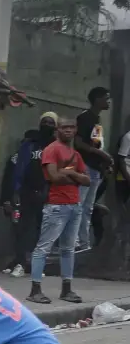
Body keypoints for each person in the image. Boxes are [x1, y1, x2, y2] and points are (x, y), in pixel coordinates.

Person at [28, 117, 91, 305]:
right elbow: (54, 177)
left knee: (68, 249)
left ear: (76, 130)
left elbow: (88, 180)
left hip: (74, 205)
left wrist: (70, 173)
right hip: (56, 205)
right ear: (58, 130)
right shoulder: (51, 150)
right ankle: (35, 290)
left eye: (71, 127)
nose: (68, 131)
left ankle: (67, 289)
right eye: (64, 128)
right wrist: (76, 177)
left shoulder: (75, 154)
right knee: (43, 247)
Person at [0, 112, 57, 277]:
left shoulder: (56, 147)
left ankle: (36, 265)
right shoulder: (29, 146)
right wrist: (8, 198)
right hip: (26, 193)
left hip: (48, 194)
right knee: (22, 229)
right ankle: (20, 262)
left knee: (42, 231)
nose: (47, 125)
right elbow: (14, 172)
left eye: (51, 123)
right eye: (44, 122)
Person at [73, 87, 111, 253]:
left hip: (95, 168)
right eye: (106, 98)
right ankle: (73, 241)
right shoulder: (85, 117)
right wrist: (101, 154)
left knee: (88, 208)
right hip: (85, 166)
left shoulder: (98, 120)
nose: (109, 101)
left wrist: (103, 161)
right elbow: (79, 143)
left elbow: (96, 143)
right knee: (79, 205)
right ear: (97, 99)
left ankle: (83, 242)